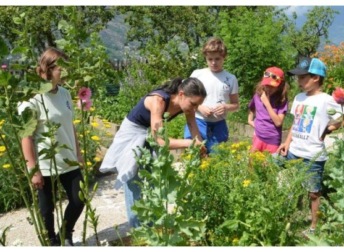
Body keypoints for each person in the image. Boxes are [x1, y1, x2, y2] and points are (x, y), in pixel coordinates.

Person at [99, 77, 207, 228]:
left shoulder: (187, 106)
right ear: (181, 94)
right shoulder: (158, 101)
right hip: (133, 133)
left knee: (154, 180)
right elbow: (160, 141)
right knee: (134, 180)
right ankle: (138, 229)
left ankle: (151, 225)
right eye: (194, 104)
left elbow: (192, 125)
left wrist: (201, 148)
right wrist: (190, 143)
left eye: (198, 105)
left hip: (150, 133)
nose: (195, 109)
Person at [18, 47, 84, 246]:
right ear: (48, 69)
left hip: (68, 159)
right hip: (45, 162)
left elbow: (70, 125)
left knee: (79, 199)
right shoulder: (32, 98)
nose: (64, 73)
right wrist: (33, 169)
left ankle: (66, 234)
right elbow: (26, 136)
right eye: (60, 69)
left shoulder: (64, 93)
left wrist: (78, 152)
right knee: (47, 209)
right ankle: (51, 242)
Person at [276, 57, 343, 235]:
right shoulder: (299, 98)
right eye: (298, 78)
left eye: (303, 77)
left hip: (312, 154)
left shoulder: (326, 100)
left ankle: (314, 226)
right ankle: (280, 210)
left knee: (313, 192)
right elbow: (295, 123)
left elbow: (341, 118)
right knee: (268, 165)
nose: (299, 81)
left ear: (316, 78)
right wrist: (286, 142)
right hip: (293, 150)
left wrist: (327, 130)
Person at [183, 37, 239, 153]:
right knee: (194, 154)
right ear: (206, 58)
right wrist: (199, 107)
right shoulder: (197, 74)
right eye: (210, 59)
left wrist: (225, 107)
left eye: (217, 59)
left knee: (216, 157)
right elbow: (185, 99)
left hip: (219, 124)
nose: (214, 63)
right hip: (198, 121)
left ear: (224, 57)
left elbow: (236, 104)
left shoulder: (230, 78)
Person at [247, 67, 288, 153]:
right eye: (267, 84)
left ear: (280, 85)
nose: (269, 88)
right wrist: (250, 121)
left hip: (272, 141)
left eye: (272, 86)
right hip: (258, 137)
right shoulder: (258, 95)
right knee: (252, 163)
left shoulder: (281, 100)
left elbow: (278, 122)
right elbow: (251, 108)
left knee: (268, 165)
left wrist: (267, 103)